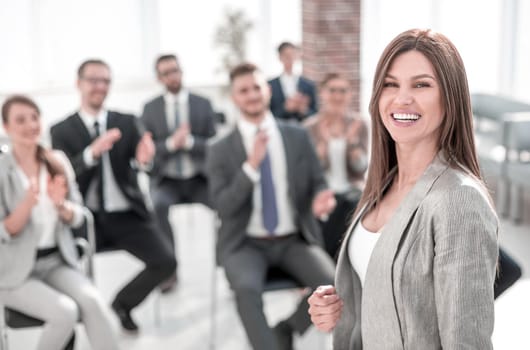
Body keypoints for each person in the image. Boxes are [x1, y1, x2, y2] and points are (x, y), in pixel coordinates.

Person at [308, 29, 498, 349]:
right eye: (390, 84)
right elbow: (391, 300)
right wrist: (336, 309)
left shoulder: (459, 200)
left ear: (450, 98)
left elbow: (467, 342)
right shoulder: (383, 184)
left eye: (421, 84)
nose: (402, 98)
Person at [206, 62, 336, 350]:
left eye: (256, 87)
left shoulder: (297, 136)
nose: (251, 95)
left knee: (334, 283)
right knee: (246, 290)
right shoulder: (219, 149)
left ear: (267, 91)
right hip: (245, 244)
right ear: (234, 97)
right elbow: (223, 207)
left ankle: (287, 329)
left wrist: (320, 197)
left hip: (293, 240)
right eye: (243, 90)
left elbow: (317, 180)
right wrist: (251, 166)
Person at [50, 59, 176, 333]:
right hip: (84, 217)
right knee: (61, 267)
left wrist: (145, 161)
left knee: (167, 262)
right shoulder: (60, 130)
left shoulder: (127, 123)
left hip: (126, 214)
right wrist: (90, 154)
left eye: (106, 81)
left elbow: (147, 163)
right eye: (93, 80)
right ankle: (74, 319)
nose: (100, 86)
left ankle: (122, 304)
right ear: (78, 83)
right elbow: (61, 177)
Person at [0, 95, 119, 350]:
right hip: (13, 272)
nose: (30, 125)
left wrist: (61, 206)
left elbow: (78, 216)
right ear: (6, 127)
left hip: (56, 262)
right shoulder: (2, 171)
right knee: (64, 312)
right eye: (20, 120)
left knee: (94, 304)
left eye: (34, 117)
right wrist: (25, 206)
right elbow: (3, 231)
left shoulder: (57, 162)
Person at [141, 54, 216, 292]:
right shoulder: (150, 109)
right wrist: (172, 144)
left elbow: (216, 146)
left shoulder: (202, 103)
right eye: (166, 73)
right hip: (167, 180)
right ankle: (169, 269)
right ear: (159, 78)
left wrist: (190, 142)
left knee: (228, 204)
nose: (172, 76)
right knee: (158, 207)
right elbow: (148, 152)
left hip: (199, 178)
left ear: (181, 71)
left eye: (175, 70)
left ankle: (230, 266)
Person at [304, 73, 369, 258]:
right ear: (322, 94)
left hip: (351, 190)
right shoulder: (309, 127)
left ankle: (326, 266)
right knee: (334, 206)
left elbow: (360, 168)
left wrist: (352, 143)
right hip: (322, 192)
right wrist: (323, 145)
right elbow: (310, 172)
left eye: (343, 91)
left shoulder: (360, 124)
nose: (337, 96)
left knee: (351, 203)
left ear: (350, 94)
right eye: (332, 90)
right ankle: (333, 268)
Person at [268, 42, 317, 122]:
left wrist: (304, 110)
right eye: (286, 56)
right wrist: (286, 108)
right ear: (280, 57)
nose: (290, 59)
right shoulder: (271, 85)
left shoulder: (309, 85)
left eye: (293, 55)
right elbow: (267, 115)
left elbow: (315, 115)